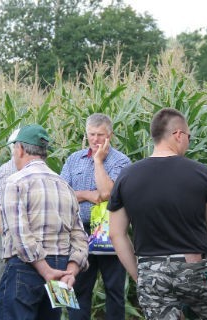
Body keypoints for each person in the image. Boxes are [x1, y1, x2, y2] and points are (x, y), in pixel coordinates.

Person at [108, 108, 207, 320]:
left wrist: (140, 275)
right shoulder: (199, 173)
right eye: (189, 136)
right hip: (194, 267)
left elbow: (116, 233)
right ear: (178, 134)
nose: (188, 141)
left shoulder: (126, 176)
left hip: (150, 270)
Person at [0, 124, 89, 319]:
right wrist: (70, 272)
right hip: (61, 268)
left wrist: (46, 271)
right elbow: (80, 237)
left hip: (25, 269)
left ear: (20, 149)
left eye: (14, 150)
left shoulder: (15, 182)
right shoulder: (64, 186)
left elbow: (21, 235)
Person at [61, 113, 131, 320]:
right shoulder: (74, 160)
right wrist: (86, 195)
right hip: (79, 232)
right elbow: (63, 193)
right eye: (91, 134)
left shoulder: (121, 161)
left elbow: (108, 193)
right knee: (80, 288)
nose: (95, 140)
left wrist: (99, 162)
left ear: (110, 135)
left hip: (111, 232)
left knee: (114, 290)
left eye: (100, 135)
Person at [0, 128, 20, 289]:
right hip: (4, 237)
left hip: (20, 239)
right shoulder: (7, 171)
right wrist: (10, 238)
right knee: (6, 282)